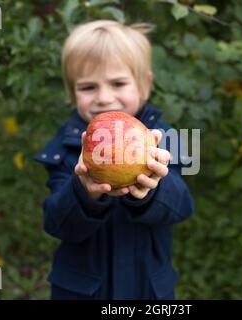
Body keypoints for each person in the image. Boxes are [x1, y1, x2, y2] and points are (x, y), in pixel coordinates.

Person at [34, 19, 195, 300]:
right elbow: (56, 224)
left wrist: (152, 190)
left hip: (146, 291)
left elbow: (182, 207)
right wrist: (83, 193)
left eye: (118, 83)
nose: (104, 98)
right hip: (82, 293)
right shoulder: (69, 148)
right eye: (88, 88)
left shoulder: (162, 140)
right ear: (72, 93)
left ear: (144, 85)